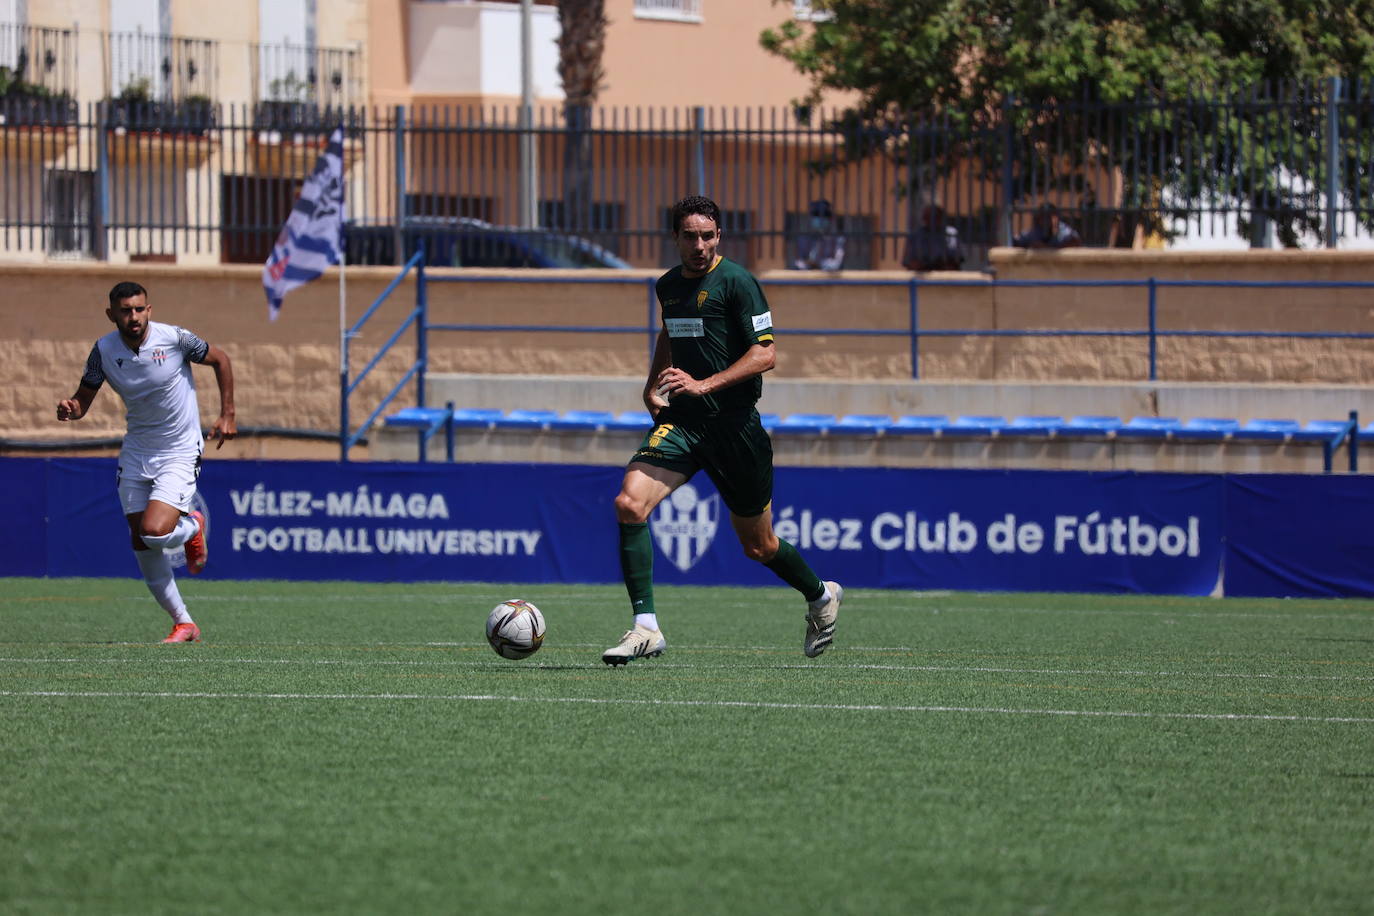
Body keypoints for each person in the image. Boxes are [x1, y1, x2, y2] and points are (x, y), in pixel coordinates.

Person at [603, 195, 842, 666]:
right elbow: (670, 332)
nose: (699, 245)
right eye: (689, 236)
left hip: (735, 428)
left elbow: (765, 354)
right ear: (675, 238)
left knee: (759, 545)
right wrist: (654, 383)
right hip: (684, 424)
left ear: (719, 237)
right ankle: (646, 628)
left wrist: (702, 383)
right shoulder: (668, 286)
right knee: (629, 504)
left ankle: (820, 595)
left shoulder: (738, 282)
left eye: (707, 236)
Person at [56, 281, 236, 643]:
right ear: (112, 314)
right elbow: (83, 399)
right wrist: (72, 409)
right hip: (137, 450)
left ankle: (192, 528)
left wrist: (227, 414)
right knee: (140, 541)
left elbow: (220, 359)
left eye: (139, 309)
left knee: (154, 531)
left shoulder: (175, 339)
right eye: (125, 310)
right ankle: (184, 623)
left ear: (149, 310)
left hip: (180, 449)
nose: (133, 316)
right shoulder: (103, 351)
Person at [901, 203, 962, 271]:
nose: (929, 220)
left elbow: (956, 259)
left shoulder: (951, 233)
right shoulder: (915, 236)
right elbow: (908, 261)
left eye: (934, 217)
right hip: (921, 276)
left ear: (940, 218)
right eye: (926, 217)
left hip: (946, 276)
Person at [791, 198, 846, 271]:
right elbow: (798, 262)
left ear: (830, 218)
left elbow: (836, 264)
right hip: (806, 279)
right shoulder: (803, 239)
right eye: (816, 215)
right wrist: (807, 265)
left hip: (829, 280)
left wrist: (820, 264)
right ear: (810, 218)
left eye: (825, 215)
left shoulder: (837, 240)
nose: (821, 219)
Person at [1014, 202, 1083, 249]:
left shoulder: (1063, 229)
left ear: (1056, 217)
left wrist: (1048, 248)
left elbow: (1075, 241)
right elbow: (1020, 240)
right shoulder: (1037, 231)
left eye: (1049, 216)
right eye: (1042, 216)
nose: (1045, 220)